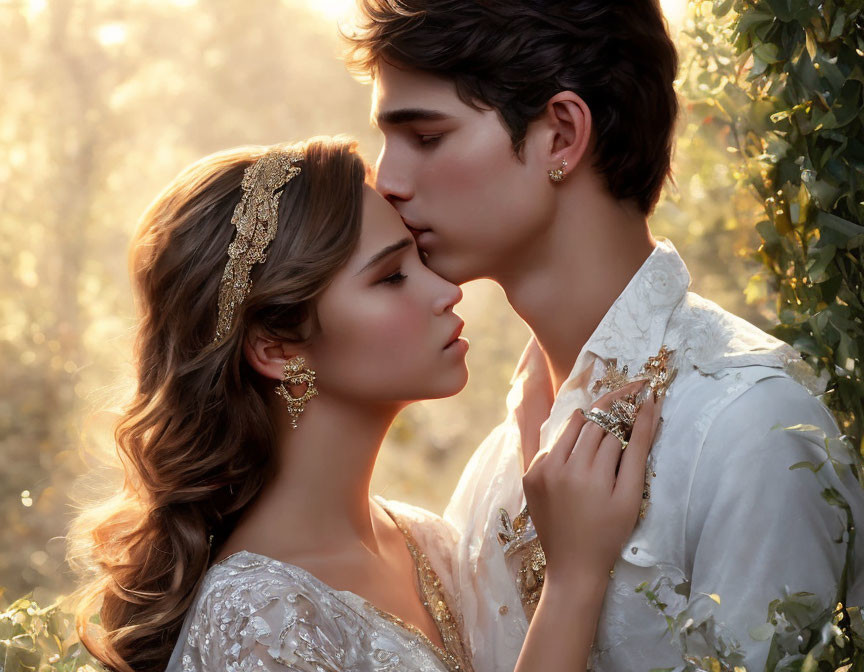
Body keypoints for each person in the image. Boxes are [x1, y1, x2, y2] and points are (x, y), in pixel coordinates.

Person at [345, 1, 864, 670]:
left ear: (561, 135)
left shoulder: (751, 431)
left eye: (426, 137)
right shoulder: (495, 469)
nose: (387, 181)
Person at [67, 136, 663, 672]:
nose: (447, 290)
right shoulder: (257, 618)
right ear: (274, 347)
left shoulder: (425, 541)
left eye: (418, 259)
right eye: (391, 277)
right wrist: (573, 582)